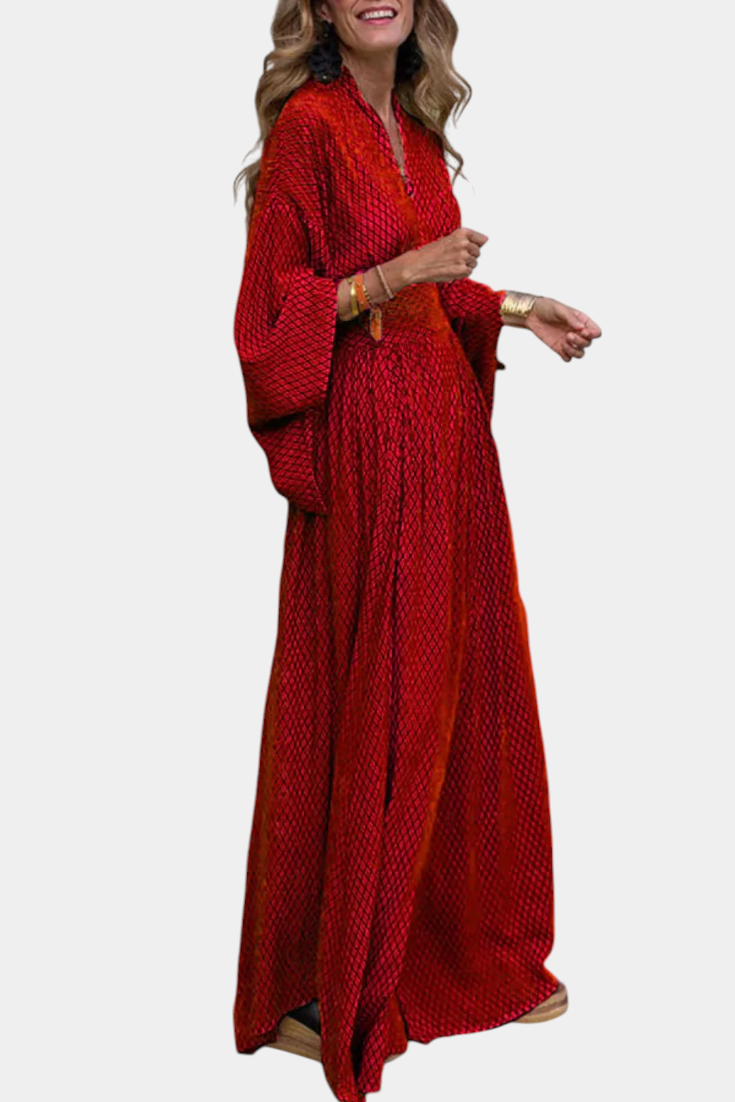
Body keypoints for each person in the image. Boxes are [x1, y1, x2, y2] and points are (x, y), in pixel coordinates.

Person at [231, 4, 602, 1102]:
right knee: (384, 696)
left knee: (466, 685)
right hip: (369, 452)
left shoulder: (415, 126)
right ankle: (330, 983)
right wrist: (397, 276)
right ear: (322, 7)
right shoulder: (310, 129)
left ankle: (458, 946)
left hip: (447, 445)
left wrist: (521, 307)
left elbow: (438, 286)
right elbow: (269, 319)